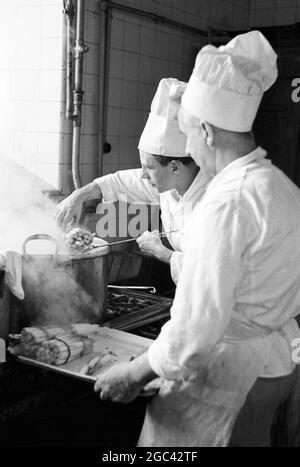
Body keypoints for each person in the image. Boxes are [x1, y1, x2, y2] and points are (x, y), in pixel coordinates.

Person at [93, 30, 300, 447]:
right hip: (272, 365)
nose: (188, 149)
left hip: (227, 377)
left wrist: (133, 373)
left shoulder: (228, 201)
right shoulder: (278, 185)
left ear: (205, 131)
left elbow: (195, 330)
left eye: (187, 135)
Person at [56, 78, 211, 284]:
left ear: (174, 167)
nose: (143, 175)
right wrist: (79, 196)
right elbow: (120, 183)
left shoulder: (214, 200)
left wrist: (161, 252)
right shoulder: (170, 185)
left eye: (149, 168)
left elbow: (209, 274)